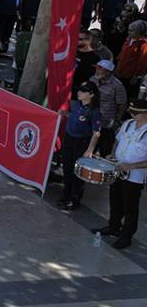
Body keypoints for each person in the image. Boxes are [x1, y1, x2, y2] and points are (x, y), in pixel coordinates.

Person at [93, 99, 147, 250]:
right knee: (115, 198)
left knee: (130, 206)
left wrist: (132, 165)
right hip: (117, 168)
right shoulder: (128, 124)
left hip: (135, 176)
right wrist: (112, 153)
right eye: (132, 111)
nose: (132, 114)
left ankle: (126, 236)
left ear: (145, 114)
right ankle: (113, 226)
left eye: (136, 112)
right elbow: (118, 140)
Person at [56, 82, 103, 211]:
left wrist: (90, 149)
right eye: (79, 90)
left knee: (78, 173)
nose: (79, 92)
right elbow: (73, 116)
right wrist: (64, 114)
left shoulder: (94, 111)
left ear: (91, 94)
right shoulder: (76, 104)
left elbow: (96, 133)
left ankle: (74, 199)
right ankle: (65, 194)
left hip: (81, 143)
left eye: (83, 91)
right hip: (69, 139)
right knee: (67, 168)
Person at [92, 60, 128, 157]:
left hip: (106, 122)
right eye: (97, 68)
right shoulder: (93, 80)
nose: (97, 71)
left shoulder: (117, 86)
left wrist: (117, 119)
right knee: (89, 145)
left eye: (101, 69)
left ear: (109, 72)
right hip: (91, 119)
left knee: (105, 148)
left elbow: (122, 104)